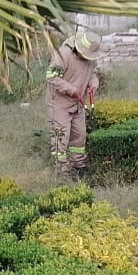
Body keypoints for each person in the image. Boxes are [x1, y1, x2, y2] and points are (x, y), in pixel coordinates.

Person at [45, 30, 102, 177]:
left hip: (78, 103)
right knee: (61, 137)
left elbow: (92, 75)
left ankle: (79, 166)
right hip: (59, 103)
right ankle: (61, 171)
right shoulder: (62, 54)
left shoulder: (91, 58)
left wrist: (94, 84)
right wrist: (71, 90)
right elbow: (51, 77)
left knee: (80, 135)